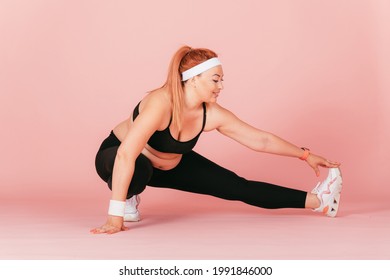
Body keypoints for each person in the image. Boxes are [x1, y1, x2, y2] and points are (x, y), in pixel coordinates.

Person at [91, 45, 343, 235]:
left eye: (222, 80)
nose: (221, 86)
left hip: (167, 166)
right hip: (117, 156)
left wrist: (306, 155)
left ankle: (319, 200)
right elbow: (126, 155)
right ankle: (127, 197)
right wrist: (115, 218)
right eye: (215, 79)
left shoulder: (210, 114)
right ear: (193, 79)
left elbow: (260, 140)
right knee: (138, 166)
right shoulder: (161, 103)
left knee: (236, 186)